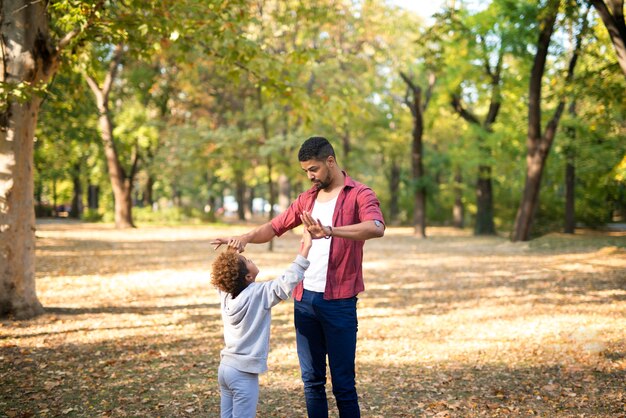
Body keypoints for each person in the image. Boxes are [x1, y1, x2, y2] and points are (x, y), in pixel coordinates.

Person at [212, 136, 385, 418]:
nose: (310, 176)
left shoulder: (359, 194)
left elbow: (376, 227)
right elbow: (274, 226)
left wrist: (330, 230)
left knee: (343, 385)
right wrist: (244, 238)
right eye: (306, 171)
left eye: (314, 169)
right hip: (304, 301)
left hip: (339, 302)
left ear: (331, 161)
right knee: (312, 382)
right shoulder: (307, 199)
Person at [211, 229, 312, 418]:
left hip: (225, 369)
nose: (250, 260)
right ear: (248, 277)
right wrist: (306, 247)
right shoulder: (259, 294)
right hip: (242, 373)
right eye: (247, 261)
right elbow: (286, 282)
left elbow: (223, 277)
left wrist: (232, 250)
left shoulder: (225, 294)